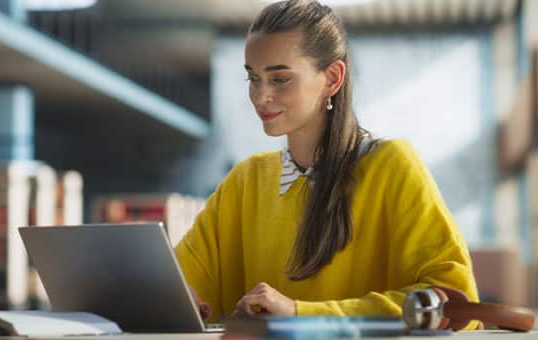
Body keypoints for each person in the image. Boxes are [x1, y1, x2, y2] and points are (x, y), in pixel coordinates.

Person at [174, 0, 479, 329]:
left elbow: (457, 304)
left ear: (332, 78)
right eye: (253, 78)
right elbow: (181, 284)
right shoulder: (245, 181)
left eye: (280, 79)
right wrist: (180, 299)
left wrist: (299, 314)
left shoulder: (393, 167)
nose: (261, 96)